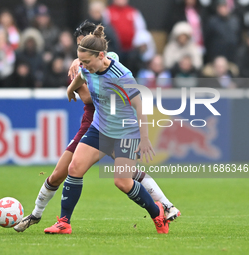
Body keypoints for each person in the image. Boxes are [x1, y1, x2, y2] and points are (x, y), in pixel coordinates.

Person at [14, 21, 179, 235]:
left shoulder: (122, 76)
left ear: (101, 56)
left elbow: (140, 104)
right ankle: (64, 222)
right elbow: (82, 75)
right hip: (100, 128)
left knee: (122, 182)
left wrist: (145, 138)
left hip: (125, 133)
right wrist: (71, 89)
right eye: (80, 60)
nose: (83, 65)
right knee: (74, 168)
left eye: (87, 61)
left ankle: (157, 211)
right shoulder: (88, 66)